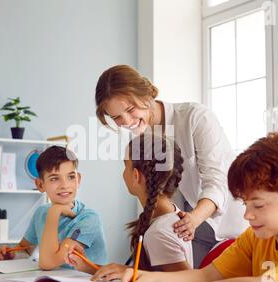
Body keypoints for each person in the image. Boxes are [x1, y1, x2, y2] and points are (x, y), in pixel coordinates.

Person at [120, 132, 278, 282]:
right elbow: (202, 276)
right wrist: (142, 279)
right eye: (245, 204)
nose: (247, 215)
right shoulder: (256, 238)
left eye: (257, 205)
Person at [94, 64, 247, 268]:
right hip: (187, 228)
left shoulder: (195, 117)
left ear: (146, 94)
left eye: (130, 110)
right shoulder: (144, 139)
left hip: (225, 225)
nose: (127, 121)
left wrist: (194, 218)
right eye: (117, 118)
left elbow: (217, 180)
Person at [66, 133, 193, 281]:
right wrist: (88, 266)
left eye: (125, 165)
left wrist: (131, 271)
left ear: (135, 175)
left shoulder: (159, 232)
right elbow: (157, 274)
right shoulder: (168, 215)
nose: (123, 172)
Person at [0, 145, 108, 270]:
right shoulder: (41, 212)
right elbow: (26, 250)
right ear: (40, 184)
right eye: (54, 178)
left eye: (71, 177)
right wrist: (12, 254)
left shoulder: (88, 219)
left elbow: (47, 263)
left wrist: (54, 212)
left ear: (78, 179)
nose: (64, 185)